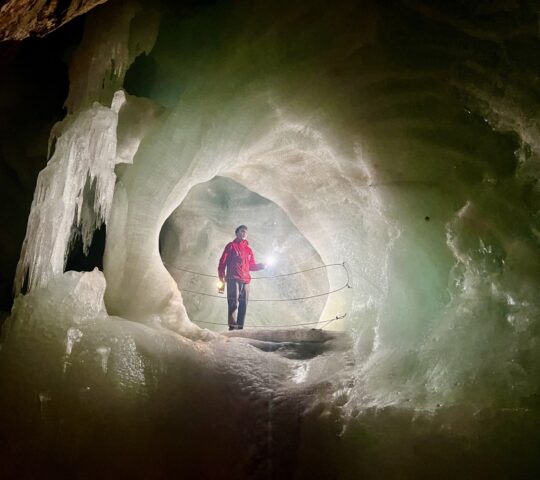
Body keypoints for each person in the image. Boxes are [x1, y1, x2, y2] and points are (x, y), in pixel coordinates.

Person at [218, 225, 266, 330]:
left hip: (246, 281)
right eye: (241, 231)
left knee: (243, 305)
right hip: (233, 278)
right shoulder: (231, 246)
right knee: (233, 304)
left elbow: (251, 266)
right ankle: (232, 328)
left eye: (245, 232)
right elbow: (222, 262)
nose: (243, 233)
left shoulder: (248, 250)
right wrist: (221, 277)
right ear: (237, 233)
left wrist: (261, 266)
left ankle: (240, 328)